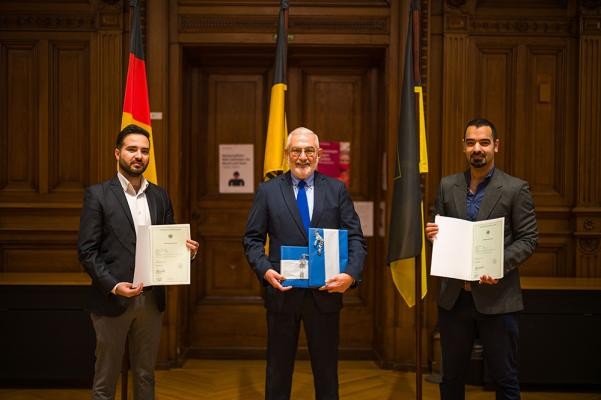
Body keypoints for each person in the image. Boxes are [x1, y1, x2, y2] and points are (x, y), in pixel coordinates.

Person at [243, 127, 367, 400]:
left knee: (326, 375)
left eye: (309, 150)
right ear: (287, 154)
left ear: (319, 154)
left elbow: (356, 238)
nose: (302, 157)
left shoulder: (336, 189)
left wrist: (350, 275)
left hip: (325, 295)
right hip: (282, 293)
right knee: (277, 373)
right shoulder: (268, 191)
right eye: (296, 151)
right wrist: (265, 270)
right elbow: (252, 239)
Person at [78, 124, 199, 400]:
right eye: (132, 149)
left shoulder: (160, 195)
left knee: (145, 375)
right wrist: (113, 285)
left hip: (150, 301)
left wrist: (187, 252)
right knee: (104, 380)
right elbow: (87, 251)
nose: (139, 156)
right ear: (117, 153)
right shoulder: (98, 195)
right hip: (112, 300)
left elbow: (169, 242)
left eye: (145, 151)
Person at [425, 118, 538, 400]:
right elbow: (437, 221)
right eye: (471, 142)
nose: (478, 148)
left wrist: (497, 264)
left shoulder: (515, 188)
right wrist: (432, 231)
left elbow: (529, 239)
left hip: (498, 298)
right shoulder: (447, 185)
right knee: (450, 378)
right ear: (463, 147)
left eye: (484, 142)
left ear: (495, 146)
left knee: (505, 379)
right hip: (454, 299)